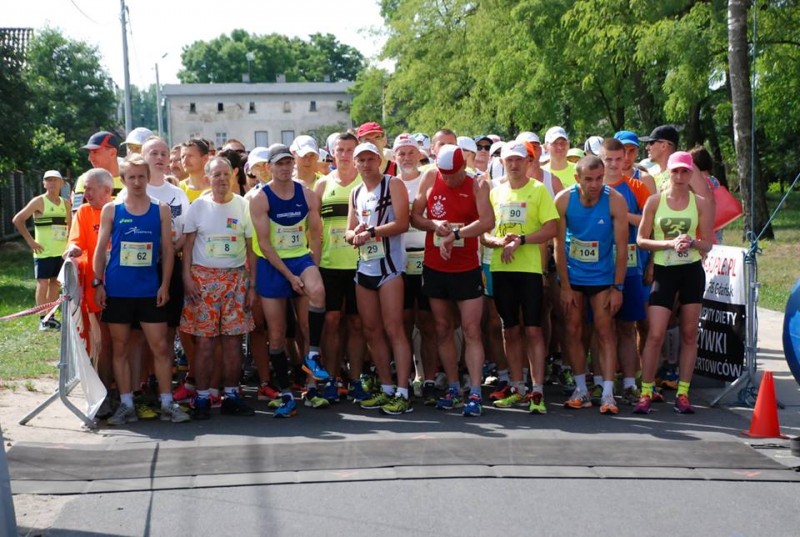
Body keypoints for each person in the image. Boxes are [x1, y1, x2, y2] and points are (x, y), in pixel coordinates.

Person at [92, 156, 189, 425]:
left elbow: (169, 251)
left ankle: (167, 402)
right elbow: (100, 250)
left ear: (148, 178)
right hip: (118, 290)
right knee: (120, 348)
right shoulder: (112, 209)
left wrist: (165, 285)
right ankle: (126, 404)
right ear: (123, 180)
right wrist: (98, 283)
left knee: (160, 347)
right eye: (131, 177)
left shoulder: (161, 209)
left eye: (141, 177)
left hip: (150, 290)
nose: (136, 182)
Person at [411, 144, 494, 417]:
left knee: (471, 330)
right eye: (443, 173)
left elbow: (487, 221)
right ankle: (454, 387)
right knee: (442, 327)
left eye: (452, 174)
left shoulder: (478, 183)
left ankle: (475, 392)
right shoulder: (429, 176)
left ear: (462, 166)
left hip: (466, 267)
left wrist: (456, 235)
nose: (447, 178)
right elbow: (415, 216)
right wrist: (434, 225)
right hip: (435, 266)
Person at [249, 144, 329, 418]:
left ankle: (312, 376)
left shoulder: (307, 195)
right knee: (277, 334)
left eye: (288, 163)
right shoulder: (261, 198)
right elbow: (264, 244)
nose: (284, 168)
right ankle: (285, 390)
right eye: (279, 164)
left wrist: (312, 267)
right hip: (273, 266)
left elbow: (316, 234)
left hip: (300, 259)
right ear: (269, 167)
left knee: (315, 299)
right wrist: (290, 276)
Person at [634, 151, 713, 414]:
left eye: (684, 172)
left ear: (691, 174)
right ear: (668, 173)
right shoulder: (655, 201)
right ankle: (646, 391)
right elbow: (642, 240)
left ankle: (682, 393)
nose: (679, 177)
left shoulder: (700, 202)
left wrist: (692, 242)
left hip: (690, 270)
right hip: (664, 270)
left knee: (690, 333)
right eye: (675, 171)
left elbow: (709, 243)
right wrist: (668, 243)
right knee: (655, 333)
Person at [484, 141, 559, 413]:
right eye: (509, 160)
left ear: (529, 161)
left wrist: (522, 240)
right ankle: (517, 386)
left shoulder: (538, 190)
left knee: (534, 329)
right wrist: (496, 242)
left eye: (519, 160)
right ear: (502, 162)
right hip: (501, 269)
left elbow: (551, 227)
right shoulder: (496, 192)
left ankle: (537, 390)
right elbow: (485, 231)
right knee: (509, 329)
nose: (514, 165)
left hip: (528, 270)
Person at [180, 156, 257, 419]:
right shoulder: (198, 206)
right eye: (216, 175)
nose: (222, 179)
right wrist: (187, 279)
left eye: (226, 174)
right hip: (203, 281)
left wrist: (252, 286)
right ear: (207, 178)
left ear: (233, 176)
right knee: (204, 343)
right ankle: (201, 397)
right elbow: (187, 247)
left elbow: (251, 249)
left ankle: (232, 395)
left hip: (236, 280)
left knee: (234, 342)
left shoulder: (243, 206)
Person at [554, 155, 628, 414]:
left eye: (599, 178)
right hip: (574, 276)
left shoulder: (615, 201)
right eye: (589, 179)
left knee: (605, 329)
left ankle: (608, 393)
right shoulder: (564, 199)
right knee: (572, 329)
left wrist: (617, 287)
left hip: (602, 277)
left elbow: (622, 249)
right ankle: (581, 388)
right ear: (578, 179)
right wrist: (564, 285)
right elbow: (558, 247)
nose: (595, 184)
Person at [345, 142, 413, 415]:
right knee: (371, 330)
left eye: (370, 159)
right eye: (360, 160)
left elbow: (402, 223)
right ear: (355, 163)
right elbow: (348, 233)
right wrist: (357, 234)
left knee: (394, 328)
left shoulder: (392, 184)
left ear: (379, 160)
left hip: (390, 268)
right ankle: (386, 387)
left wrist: (371, 231)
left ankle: (403, 390)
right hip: (364, 269)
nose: (365, 164)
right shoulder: (355, 192)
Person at [313, 133, 367, 402]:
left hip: (361, 263)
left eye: (350, 150)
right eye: (340, 150)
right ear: (332, 153)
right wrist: (314, 263)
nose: (345, 155)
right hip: (330, 264)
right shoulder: (322, 186)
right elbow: (315, 231)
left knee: (357, 323)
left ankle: (356, 379)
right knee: (332, 322)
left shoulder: (366, 184)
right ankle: (332, 379)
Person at [600, 138, 652, 405]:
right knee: (599, 327)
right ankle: (599, 380)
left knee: (627, 327)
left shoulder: (636, 187)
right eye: (608, 159)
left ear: (625, 160)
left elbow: (648, 221)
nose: (613, 164)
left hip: (630, 264)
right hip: (596, 267)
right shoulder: (593, 185)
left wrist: (620, 214)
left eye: (618, 159)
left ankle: (630, 382)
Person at [393, 134, 439, 405]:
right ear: (395, 157)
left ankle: (430, 379)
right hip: (398, 261)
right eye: (401, 153)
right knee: (402, 323)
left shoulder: (429, 179)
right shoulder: (390, 184)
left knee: (429, 323)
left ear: (419, 155)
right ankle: (406, 379)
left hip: (427, 259)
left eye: (411, 152)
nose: (407, 158)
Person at [64, 169, 115, 399]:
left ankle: (128, 389)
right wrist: (72, 250)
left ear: (107, 190)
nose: (86, 193)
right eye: (85, 188)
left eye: (91, 188)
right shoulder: (83, 212)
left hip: (121, 286)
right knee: (102, 342)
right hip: (94, 288)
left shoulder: (119, 209)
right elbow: (75, 242)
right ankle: (102, 392)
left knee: (123, 342)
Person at [13, 170, 71, 331]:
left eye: (55, 180)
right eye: (48, 180)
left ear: (62, 183)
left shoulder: (66, 203)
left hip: (60, 251)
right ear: (44, 184)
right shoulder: (39, 201)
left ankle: (50, 317)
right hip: (43, 252)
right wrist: (31, 241)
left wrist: (69, 246)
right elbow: (18, 220)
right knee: (43, 283)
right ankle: (42, 319)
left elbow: (70, 226)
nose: (51, 183)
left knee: (55, 284)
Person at [72, 131, 124, 212]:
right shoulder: (84, 180)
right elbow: (76, 216)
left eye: (95, 152)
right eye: (89, 153)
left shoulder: (129, 181)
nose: (90, 158)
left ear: (113, 152)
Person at [179, 138, 211, 203]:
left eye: (190, 156)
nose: (185, 160)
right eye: (183, 156)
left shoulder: (216, 188)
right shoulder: (178, 189)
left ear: (205, 158)